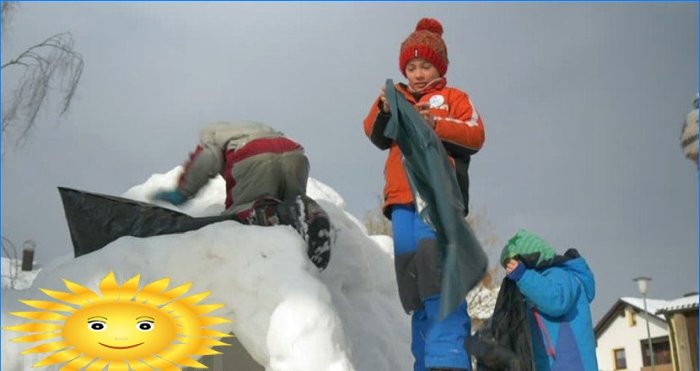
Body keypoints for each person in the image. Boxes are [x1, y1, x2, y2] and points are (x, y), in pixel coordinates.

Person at [363, 17, 485, 371]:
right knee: (414, 287)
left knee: (439, 278)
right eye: (411, 66)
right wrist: (384, 107)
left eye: (425, 65)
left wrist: (436, 124)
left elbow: (475, 134)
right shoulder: (397, 97)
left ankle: (449, 360)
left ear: (440, 67)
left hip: (436, 198)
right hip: (401, 203)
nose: (417, 73)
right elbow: (374, 132)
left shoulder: (453, 99)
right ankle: (425, 362)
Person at [152, 120, 332, 270]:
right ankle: (314, 216)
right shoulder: (259, 128)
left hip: (255, 155)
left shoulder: (211, 133)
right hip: (294, 154)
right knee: (295, 204)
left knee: (249, 207)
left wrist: (182, 192)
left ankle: (266, 215)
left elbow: (208, 159)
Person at [499, 229, 599, 371]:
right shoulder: (532, 287)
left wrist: (523, 276)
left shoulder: (560, 275)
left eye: (514, 264)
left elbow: (556, 301)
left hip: (571, 364)